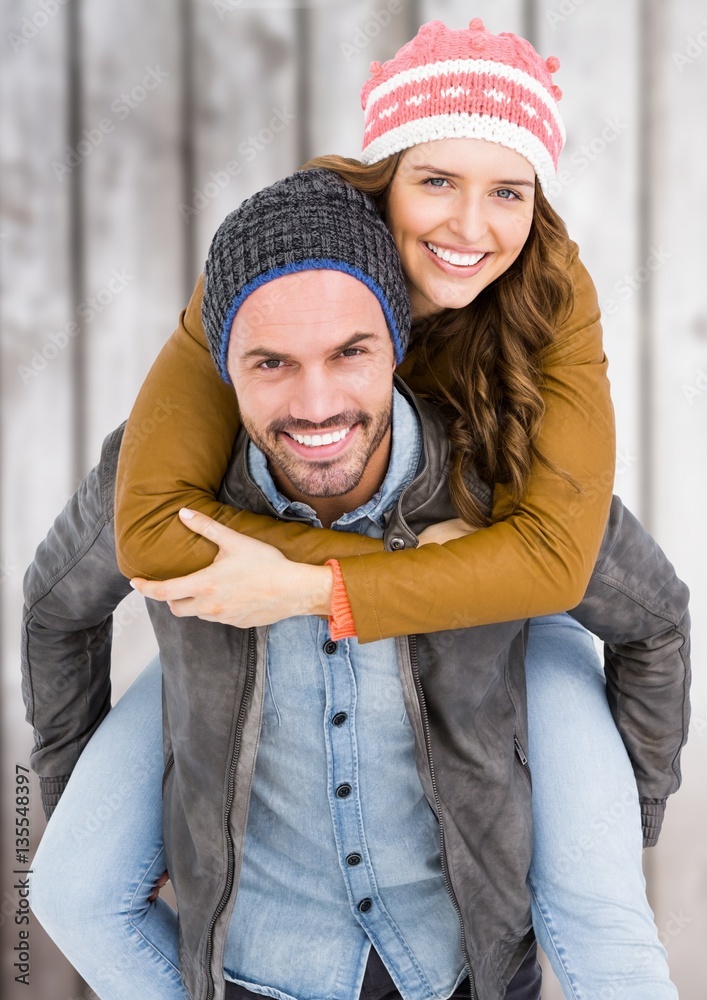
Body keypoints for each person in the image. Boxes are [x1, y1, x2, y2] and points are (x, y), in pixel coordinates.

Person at [25, 169, 689, 1000]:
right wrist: (102, 810)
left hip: (460, 967)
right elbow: (55, 613)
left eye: (350, 352)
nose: (315, 402)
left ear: (398, 342)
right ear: (217, 364)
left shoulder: (496, 483)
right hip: (253, 968)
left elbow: (653, 620)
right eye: (270, 361)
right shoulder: (160, 490)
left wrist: (626, 815)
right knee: (69, 888)